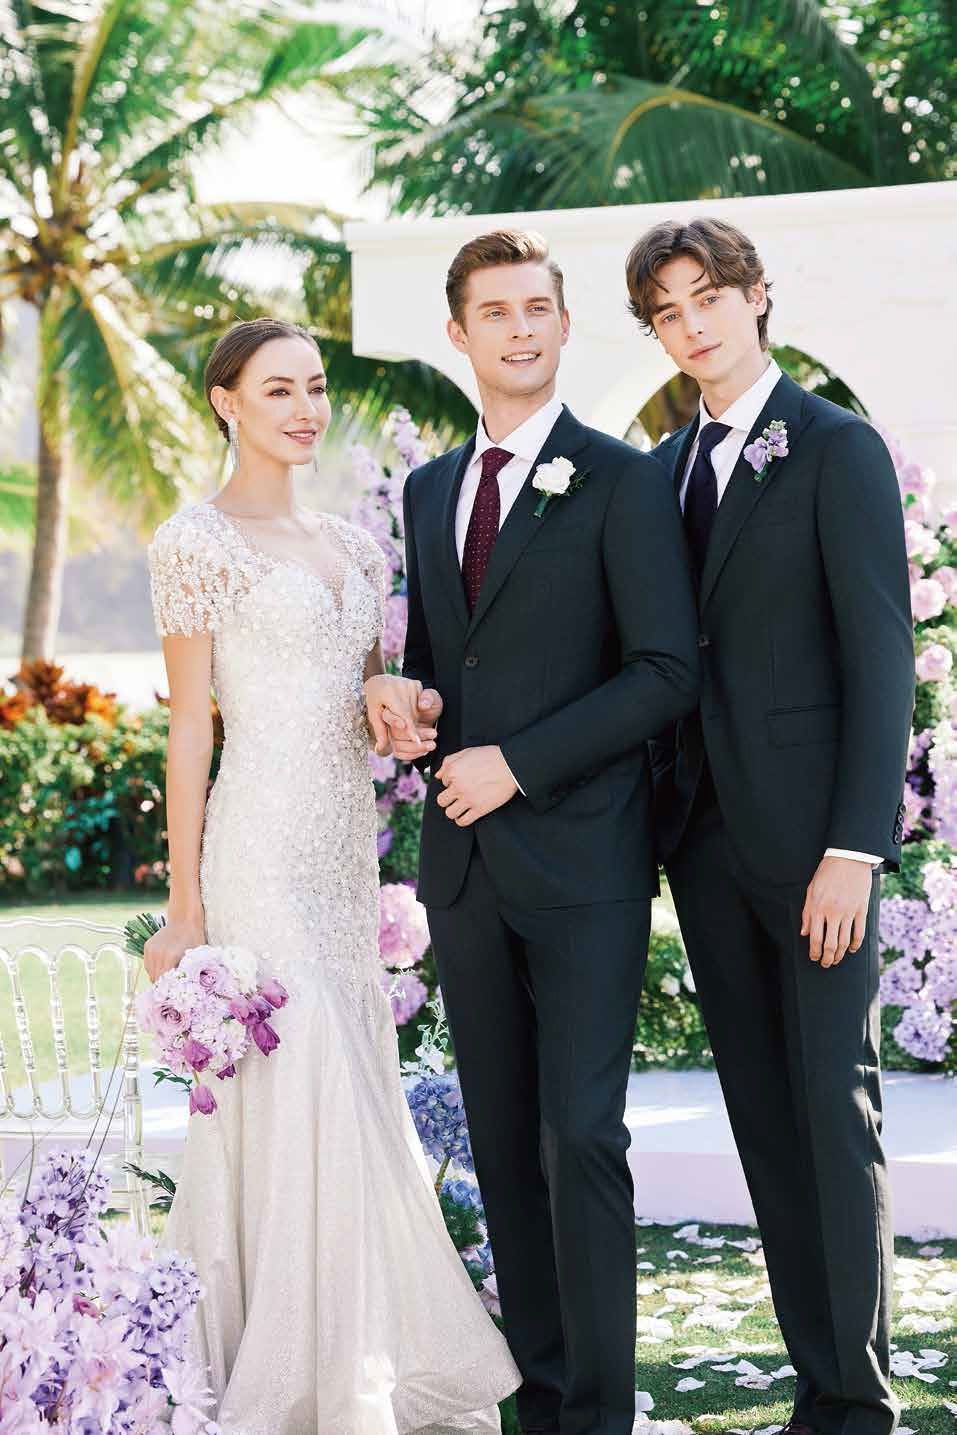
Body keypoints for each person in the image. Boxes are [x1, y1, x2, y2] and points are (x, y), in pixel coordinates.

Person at [144, 317, 519, 1435]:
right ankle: (293, 1370)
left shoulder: (356, 546)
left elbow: (370, 701)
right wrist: (185, 911)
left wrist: (406, 709)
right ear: (226, 400)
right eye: (278, 389)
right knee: (301, 1074)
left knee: (352, 1071)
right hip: (255, 843)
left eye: (314, 387)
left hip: (342, 852)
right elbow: (189, 737)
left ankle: (354, 1345)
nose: (305, 407)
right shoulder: (195, 541)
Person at [390, 230, 700, 1435]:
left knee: (582, 1136)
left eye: (539, 308)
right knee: (503, 1148)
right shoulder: (427, 491)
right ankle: (542, 1399)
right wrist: (406, 701)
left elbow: (665, 670)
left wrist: (517, 763)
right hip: (464, 871)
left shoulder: (623, 480)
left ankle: (602, 1415)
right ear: (458, 336)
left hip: (585, 866)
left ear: (566, 327)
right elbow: (440, 663)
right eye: (495, 311)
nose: (520, 328)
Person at [625, 217, 914, 1435]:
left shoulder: (836, 450)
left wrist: (855, 847)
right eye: (668, 311)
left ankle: (856, 1397)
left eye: (710, 298)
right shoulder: (663, 469)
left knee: (831, 1105)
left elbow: (882, 655)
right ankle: (814, 1381)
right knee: (760, 1110)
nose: (693, 324)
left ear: (757, 299)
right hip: (703, 847)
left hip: (815, 854)